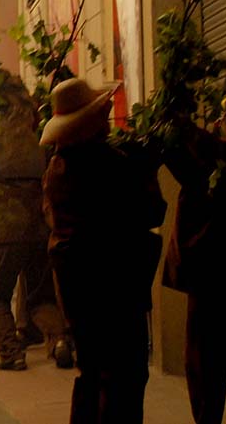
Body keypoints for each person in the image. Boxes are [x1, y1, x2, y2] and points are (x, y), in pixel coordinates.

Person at [41, 78, 166, 424]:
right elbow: (152, 212)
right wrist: (147, 170)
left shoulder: (57, 166)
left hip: (76, 288)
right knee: (124, 377)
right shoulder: (111, 164)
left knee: (92, 372)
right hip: (115, 288)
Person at [0, 74, 72, 371]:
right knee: (40, 296)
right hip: (40, 229)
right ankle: (60, 340)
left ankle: (11, 352)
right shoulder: (39, 141)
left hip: (5, 230)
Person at [162, 119, 226, 424]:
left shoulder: (208, 154)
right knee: (205, 351)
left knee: (205, 352)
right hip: (211, 257)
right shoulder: (201, 152)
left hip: (211, 257)